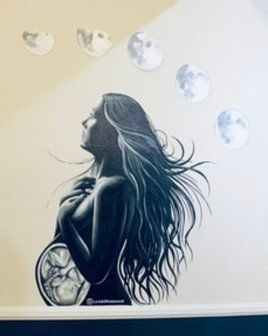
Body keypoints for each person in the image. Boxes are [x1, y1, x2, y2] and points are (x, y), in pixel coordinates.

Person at [37, 93, 208, 306]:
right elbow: (62, 252)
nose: (83, 122)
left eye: (92, 117)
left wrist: (65, 219)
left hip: (104, 308)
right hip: (85, 306)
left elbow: (96, 271)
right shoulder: (95, 186)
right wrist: (64, 215)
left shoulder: (114, 188)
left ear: (112, 132)